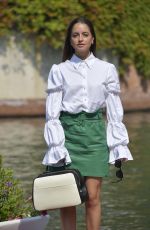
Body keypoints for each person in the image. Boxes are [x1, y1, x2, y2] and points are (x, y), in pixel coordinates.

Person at [42, 17, 133, 230]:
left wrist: (118, 145)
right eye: (75, 35)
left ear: (92, 39)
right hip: (67, 135)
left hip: (94, 135)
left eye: (85, 34)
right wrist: (56, 146)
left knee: (92, 197)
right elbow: (52, 113)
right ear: (70, 41)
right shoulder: (59, 70)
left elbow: (114, 110)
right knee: (67, 198)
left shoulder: (107, 69)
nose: (80, 39)